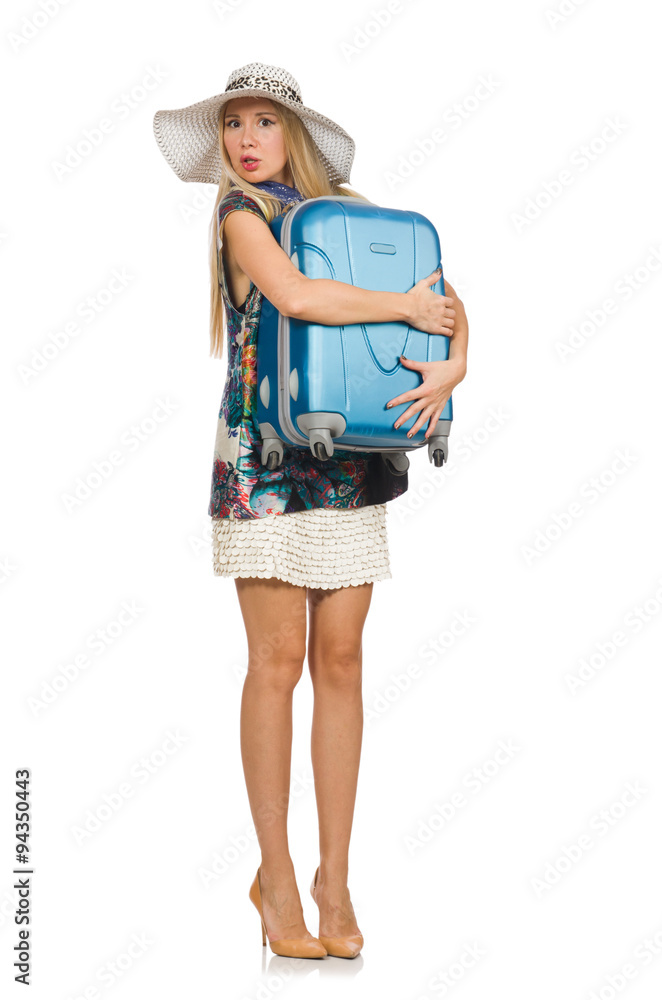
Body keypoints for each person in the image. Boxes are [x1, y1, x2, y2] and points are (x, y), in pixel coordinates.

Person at [153, 62, 469, 960]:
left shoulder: (351, 216)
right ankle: (277, 877)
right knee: (275, 662)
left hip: (346, 460)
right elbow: (295, 296)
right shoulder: (239, 215)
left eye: (264, 122)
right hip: (263, 461)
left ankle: (336, 879)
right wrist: (403, 307)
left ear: (293, 133)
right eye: (234, 124)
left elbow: (448, 304)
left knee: (341, 661)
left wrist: (455, 363)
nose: (247, 139)